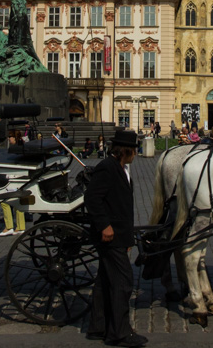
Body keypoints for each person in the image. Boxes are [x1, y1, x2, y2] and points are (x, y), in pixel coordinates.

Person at [84, 129, 146, 347]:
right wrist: (105, 225)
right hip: (110, 236)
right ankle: (119, 333)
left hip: (119, 235)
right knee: (123, 281)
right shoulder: (107, 168)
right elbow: (92, 198)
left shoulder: (122, 168)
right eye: (134, 150)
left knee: (104, 280)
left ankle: (97, 327)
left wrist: (128, 238)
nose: (136, 154)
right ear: (125, 151)